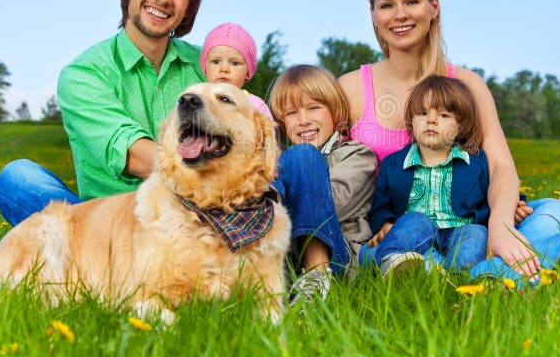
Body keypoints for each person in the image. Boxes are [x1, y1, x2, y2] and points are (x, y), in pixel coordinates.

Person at [338, 0, 560, 287]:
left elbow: (501, 167)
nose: (400, 14)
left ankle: (474, 279)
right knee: (397, 244)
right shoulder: (350, 88)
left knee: (555, 214)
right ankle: (473, 279)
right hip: (393, 234)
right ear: (374, 16)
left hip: (467, 226)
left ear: (433, 7)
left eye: (412, 1)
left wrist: (502, 225)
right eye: (386, 5)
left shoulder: (467, 85)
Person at [0, 0, 205, 226]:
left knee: (289, 163)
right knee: (18, 179)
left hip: (200, 213)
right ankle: (93, 253)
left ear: (188, 7)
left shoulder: (207, 65)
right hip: (112, 227)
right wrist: (222, 175)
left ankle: (274, 253)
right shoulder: (83, 73)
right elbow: (137, 157)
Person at [360, 76, 492, 276]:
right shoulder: (393, 164)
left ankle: (458, 277)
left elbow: (493, 193)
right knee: (413, 221)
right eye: (422, 113)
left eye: (443, 115)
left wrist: (516, 205)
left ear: (461, 125)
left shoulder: (476, 162)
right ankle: (393, 262)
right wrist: (386, 223)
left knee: (476, 233)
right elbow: (380, 204)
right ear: (411, 121)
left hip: (460, 229)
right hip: (415, 235)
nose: (431, 120)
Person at [268, 65, 377, 303]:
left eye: (314, 108)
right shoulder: (281, 163)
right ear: (281, 122)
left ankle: (317, 277)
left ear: (335, 111)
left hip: (337, 257)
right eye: (291, 113)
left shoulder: (358, 155)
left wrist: (283, 193)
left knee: (304, 155)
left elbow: (331, 207)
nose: (303, 120)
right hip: (287, 254)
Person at [199, 22, 271, 117]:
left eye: (234, 63)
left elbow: (268, 131)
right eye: (216, 62)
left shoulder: (255, 106)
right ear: (205, 67)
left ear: (248, 72)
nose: (224, 69)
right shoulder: (197, 100)